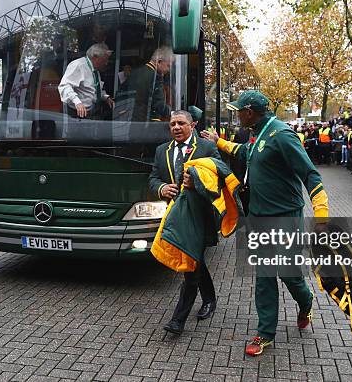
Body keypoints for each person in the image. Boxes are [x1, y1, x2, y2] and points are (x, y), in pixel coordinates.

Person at [201, 90, 329, 357]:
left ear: (250, 112)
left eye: (239, 110)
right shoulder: (258, 131)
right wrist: (219, 142)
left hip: (285, 218)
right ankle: (266, 333)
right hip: (258, 218)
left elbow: (310, 174)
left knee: (289, 274)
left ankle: (305, 301)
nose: (236, 114)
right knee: (264, 275)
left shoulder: (282, 134)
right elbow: (247, 152)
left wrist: (322, 213)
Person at [148, 110, 220, 335]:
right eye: (172, 124)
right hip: (175, 214)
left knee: (190, 265)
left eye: (181, 123)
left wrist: (197, 182)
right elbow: (153, 178)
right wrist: (161, 188)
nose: (176, 128)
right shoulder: (162, 151)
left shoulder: (207, 148)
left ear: (192, 125)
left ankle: (178, 320)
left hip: (200, 214)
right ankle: (209, 298)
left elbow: (219, 177)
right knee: (195, 259)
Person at [58, 42, 115, 119]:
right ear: (95, 58)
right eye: (104, 60)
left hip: (90, 113)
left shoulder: (95, 70)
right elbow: (65, 86)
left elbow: (94, 90)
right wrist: (78, 103)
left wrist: (106, 97)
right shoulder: (78, 65)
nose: (106, 63)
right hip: (75, 114)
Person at [126, 47, 174, 122]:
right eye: (168, 66)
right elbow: (159, 105)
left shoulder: (135, 73)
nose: (168, 70)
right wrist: (172, 112)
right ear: (159, 62)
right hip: (149, 123)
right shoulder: (156, 77)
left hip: (131, 121)